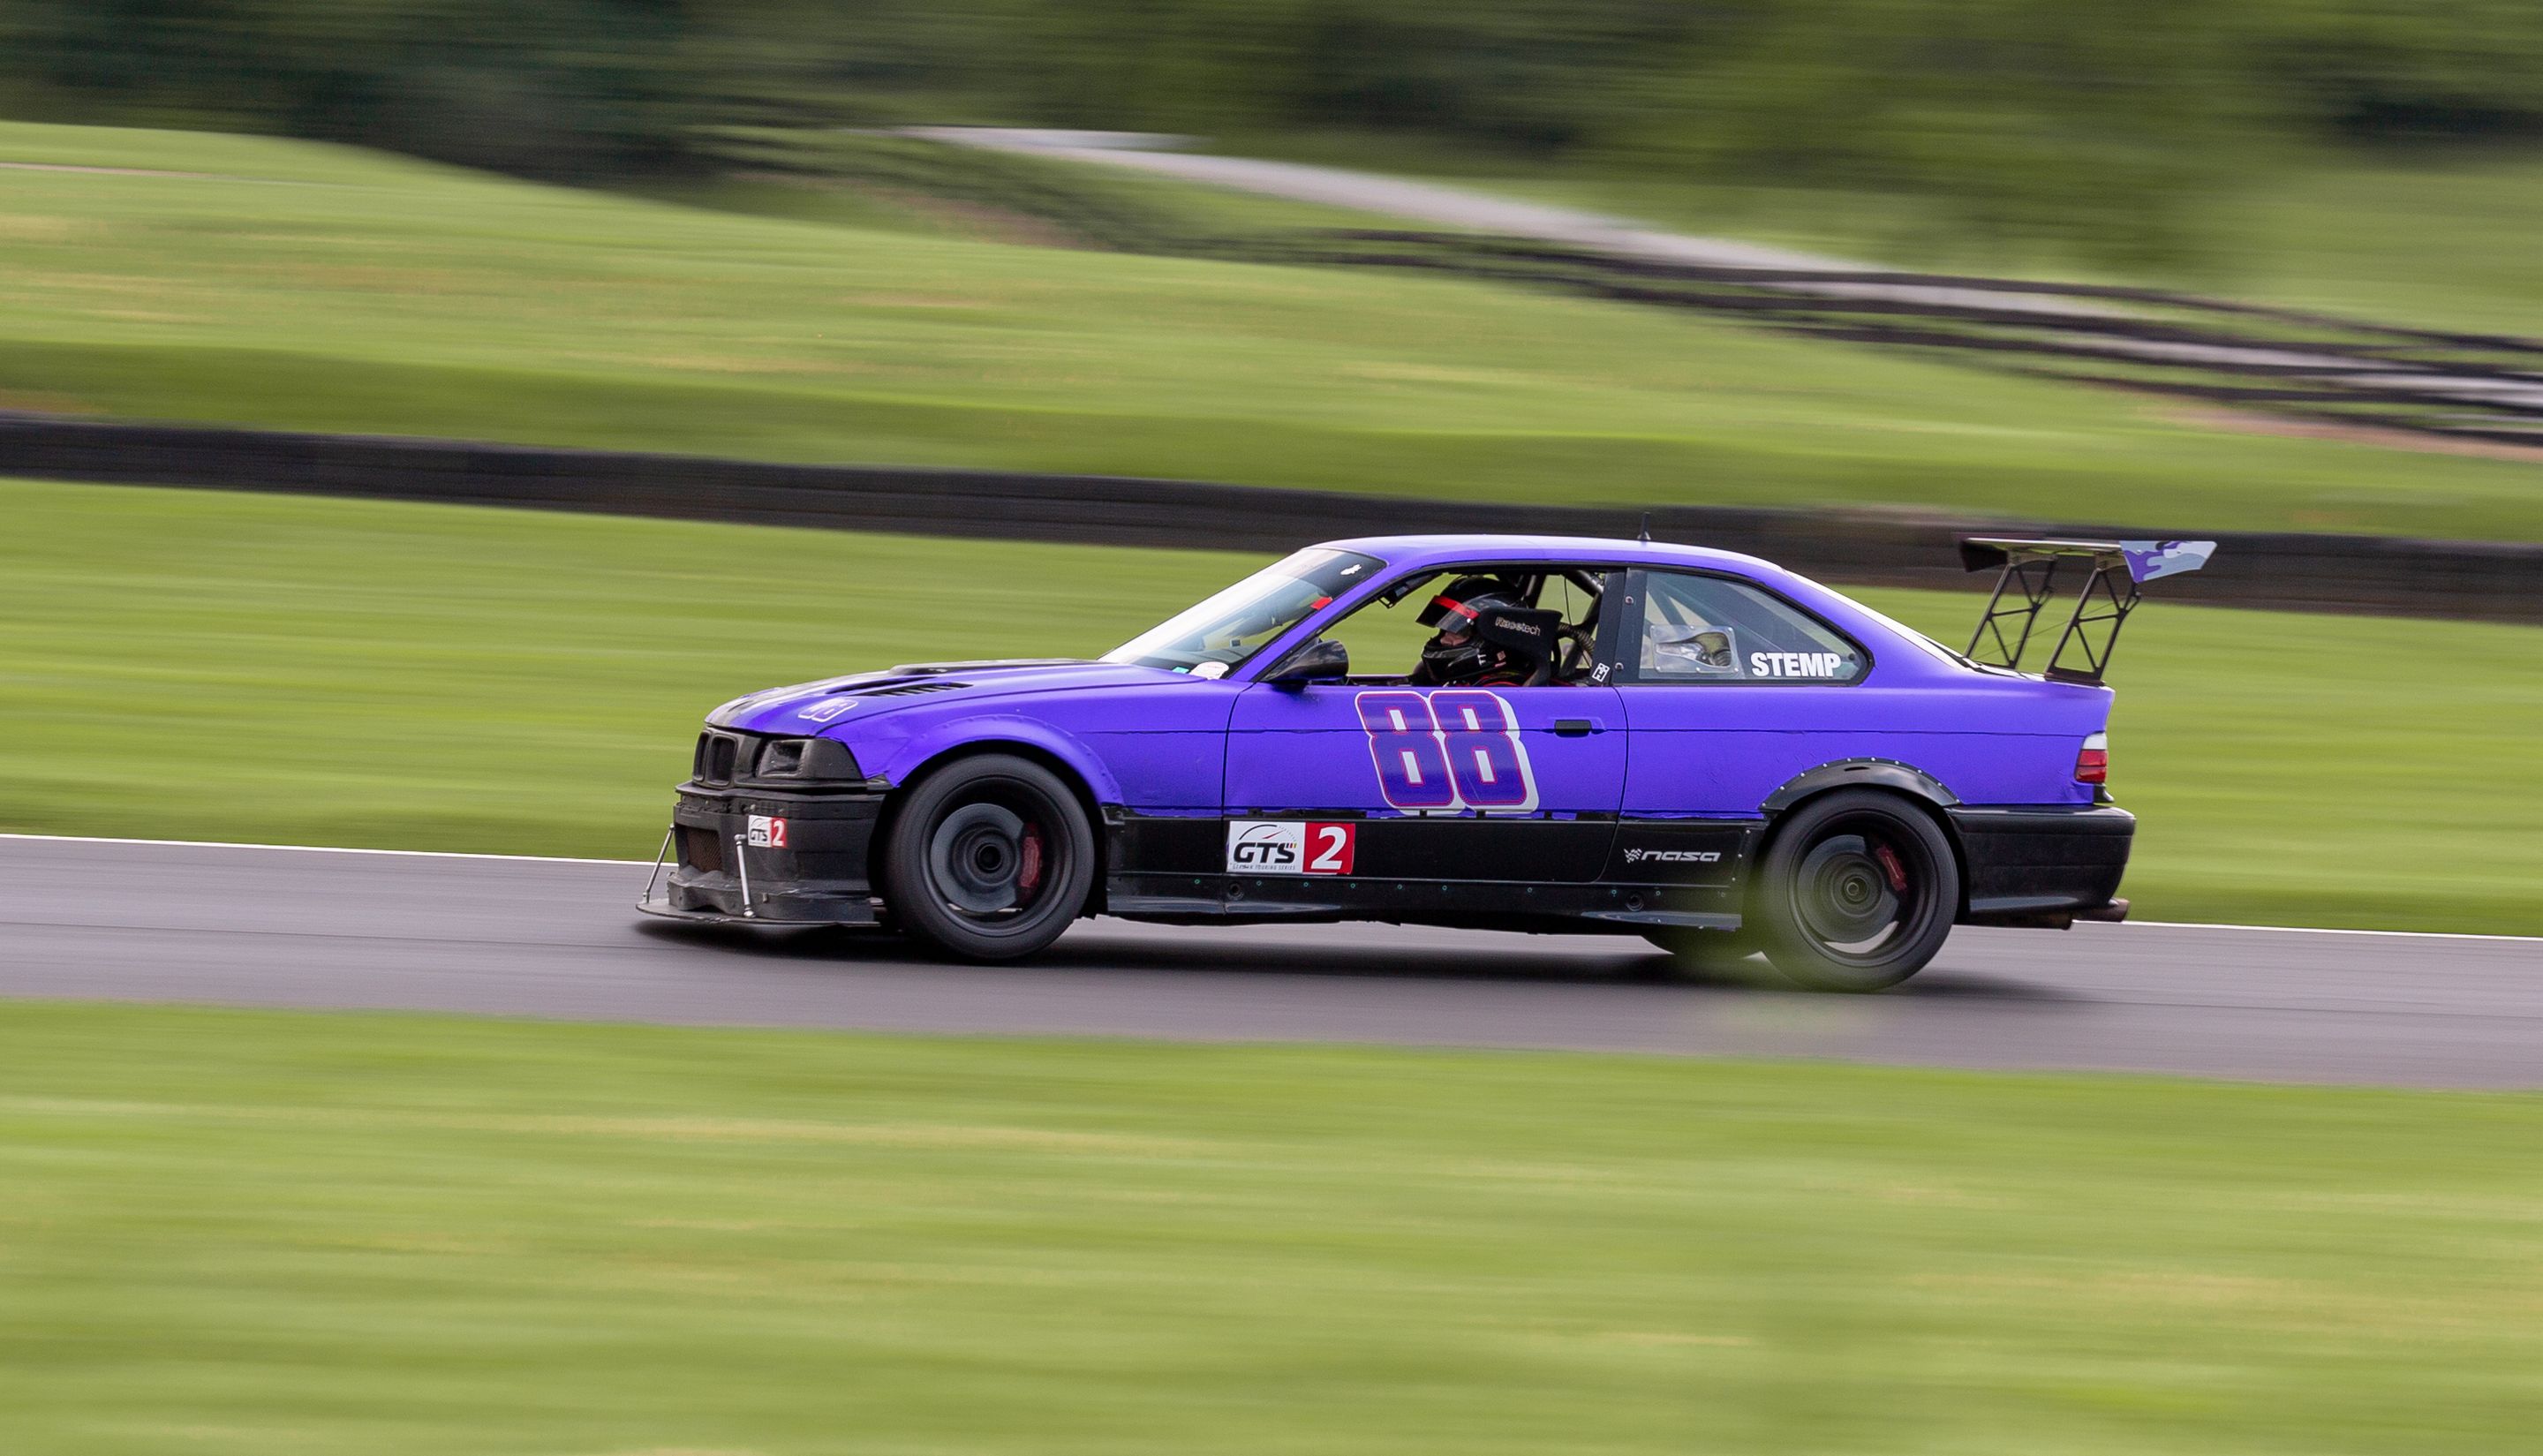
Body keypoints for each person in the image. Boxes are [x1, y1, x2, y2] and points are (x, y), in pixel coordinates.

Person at [1407, 577, 1532, 686]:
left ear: (1495, 638)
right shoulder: (1466, 681)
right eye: (1444, 630)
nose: (1443, 640)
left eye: (1460, 632)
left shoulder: (1499, 690)